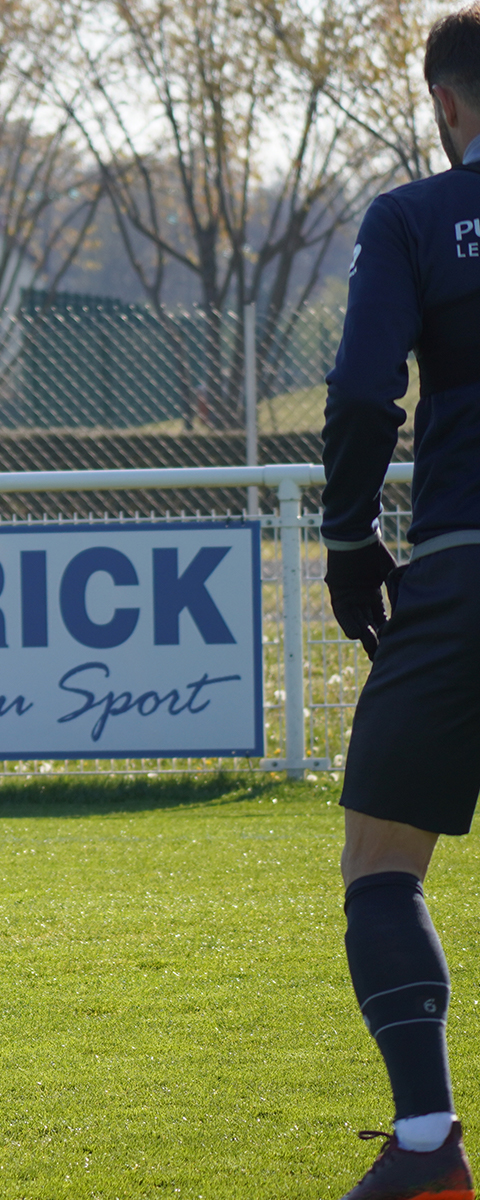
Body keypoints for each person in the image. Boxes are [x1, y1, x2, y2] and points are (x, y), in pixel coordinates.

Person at [321, 7, 480, 1196]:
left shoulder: (416, 218)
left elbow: (366, 394)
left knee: (382, 867)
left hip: (464, 574)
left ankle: (425, 1147)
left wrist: (345, 539)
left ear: (445, 104)